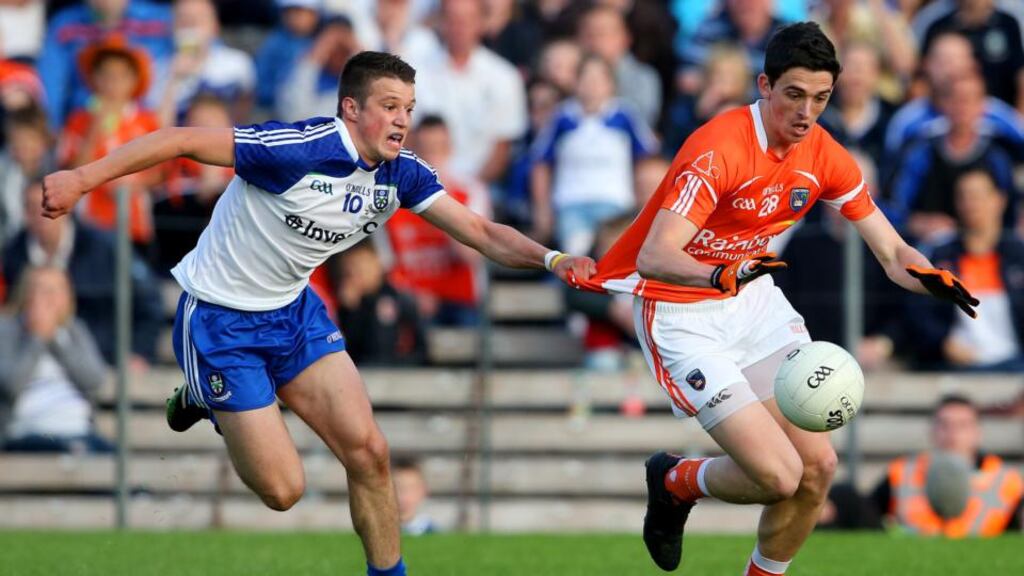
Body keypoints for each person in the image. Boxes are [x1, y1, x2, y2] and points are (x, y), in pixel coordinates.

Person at [39, 51, 594, 576]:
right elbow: (181, 139)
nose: (402, 120)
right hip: (220, 321)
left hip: (293, 313)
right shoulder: (294, 149)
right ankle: (204, 393)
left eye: (408, 108)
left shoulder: (403, 172)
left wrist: (553, 257)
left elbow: (478, 231)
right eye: (389, 106)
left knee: (371, 453)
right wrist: (81, 179)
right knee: (284, 492)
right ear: (351, 108)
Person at [572, 22, 979, 575]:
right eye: (793, 94)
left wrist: (928, 276)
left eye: (820, 98)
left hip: (754, 302)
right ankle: (674, 480)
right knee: (778, 476)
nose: (806, 112)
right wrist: (722, 275)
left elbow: (891, 250)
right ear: (764, 85)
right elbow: (655, 256)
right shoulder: (718, 148)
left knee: (817, 469)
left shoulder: (824, 154)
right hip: (681, 312)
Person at [905, 169, 1024, 371]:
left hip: (1014, 363)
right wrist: (942, 342)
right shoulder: (940, 255)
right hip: (955, 366)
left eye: (977, 196)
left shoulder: (1018, 255)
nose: (970, 204)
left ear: (999, 200)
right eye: (963, 196)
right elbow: (918, 311)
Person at [871, 394, 1023, 537]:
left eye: (962, 425)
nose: (952, 433)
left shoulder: (1007, 481)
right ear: (931, 431)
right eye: (944, 424)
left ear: (978, 433)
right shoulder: (903, 472)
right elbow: (869, 518)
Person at [0, 265, 112, 453]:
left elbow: (95, 380)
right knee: (74, 450)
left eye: (57, 291)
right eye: (43, 291)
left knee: (120, 462)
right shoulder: (7, 330)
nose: (50, 299)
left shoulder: (75, 331)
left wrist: (55, 340)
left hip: (79, 429)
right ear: (26, 295)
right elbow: (9, 385)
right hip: (26, 432)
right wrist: (36, 339)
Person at [392, 455, 440, 535]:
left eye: (412, 488)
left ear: (423, 491)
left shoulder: (432, 532)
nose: (404, 495)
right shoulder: (377, 531)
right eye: (398, 488)